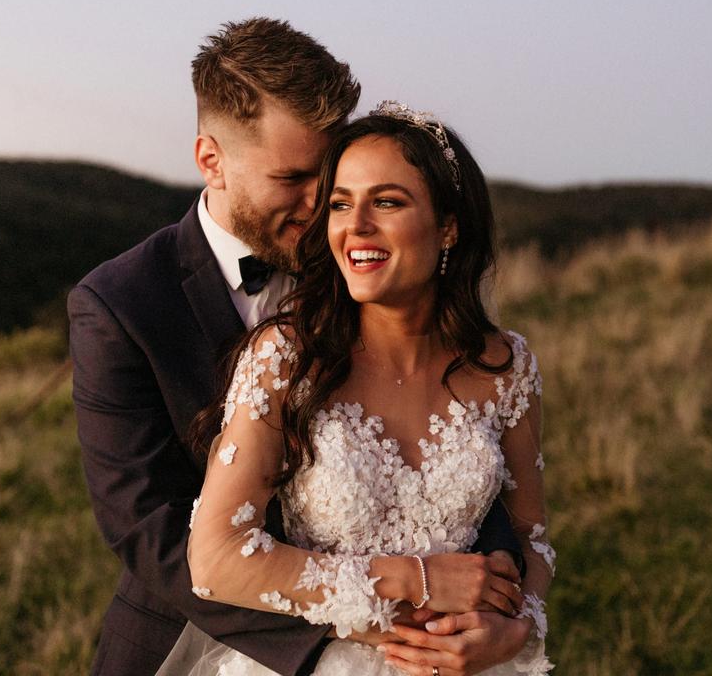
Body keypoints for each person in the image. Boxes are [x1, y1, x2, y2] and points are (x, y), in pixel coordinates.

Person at [69, 18, 528, 675]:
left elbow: (456, 434)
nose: (322, 208)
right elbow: (150, 533)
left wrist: (495, 595)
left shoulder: (364, 257)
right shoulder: (118, 305)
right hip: (202, 641)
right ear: (211, 161)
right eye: (293, 179)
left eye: (330, 174)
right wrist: (360, 624)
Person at [174, 104, 555, 676]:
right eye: (341, 204)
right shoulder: (286, 360)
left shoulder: (506, 367)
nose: (356, 227)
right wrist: (416, 580)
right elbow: (216, 559)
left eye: (387, 202)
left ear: (448, 225)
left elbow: (532, 540)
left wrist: (515, 627)